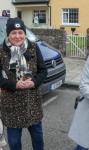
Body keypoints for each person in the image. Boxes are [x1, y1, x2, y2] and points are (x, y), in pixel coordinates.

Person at [0, 17, 47, 150]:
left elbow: (43, 71)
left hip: (32, 102)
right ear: (8, 34)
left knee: (38, 138)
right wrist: (15, 84)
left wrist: (34, 82)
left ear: (25, 33)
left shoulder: (33, 47)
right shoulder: (1, 50)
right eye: (13, 33)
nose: (17, 36)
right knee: (14, 142)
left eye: (20, 32)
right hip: (11, 105)